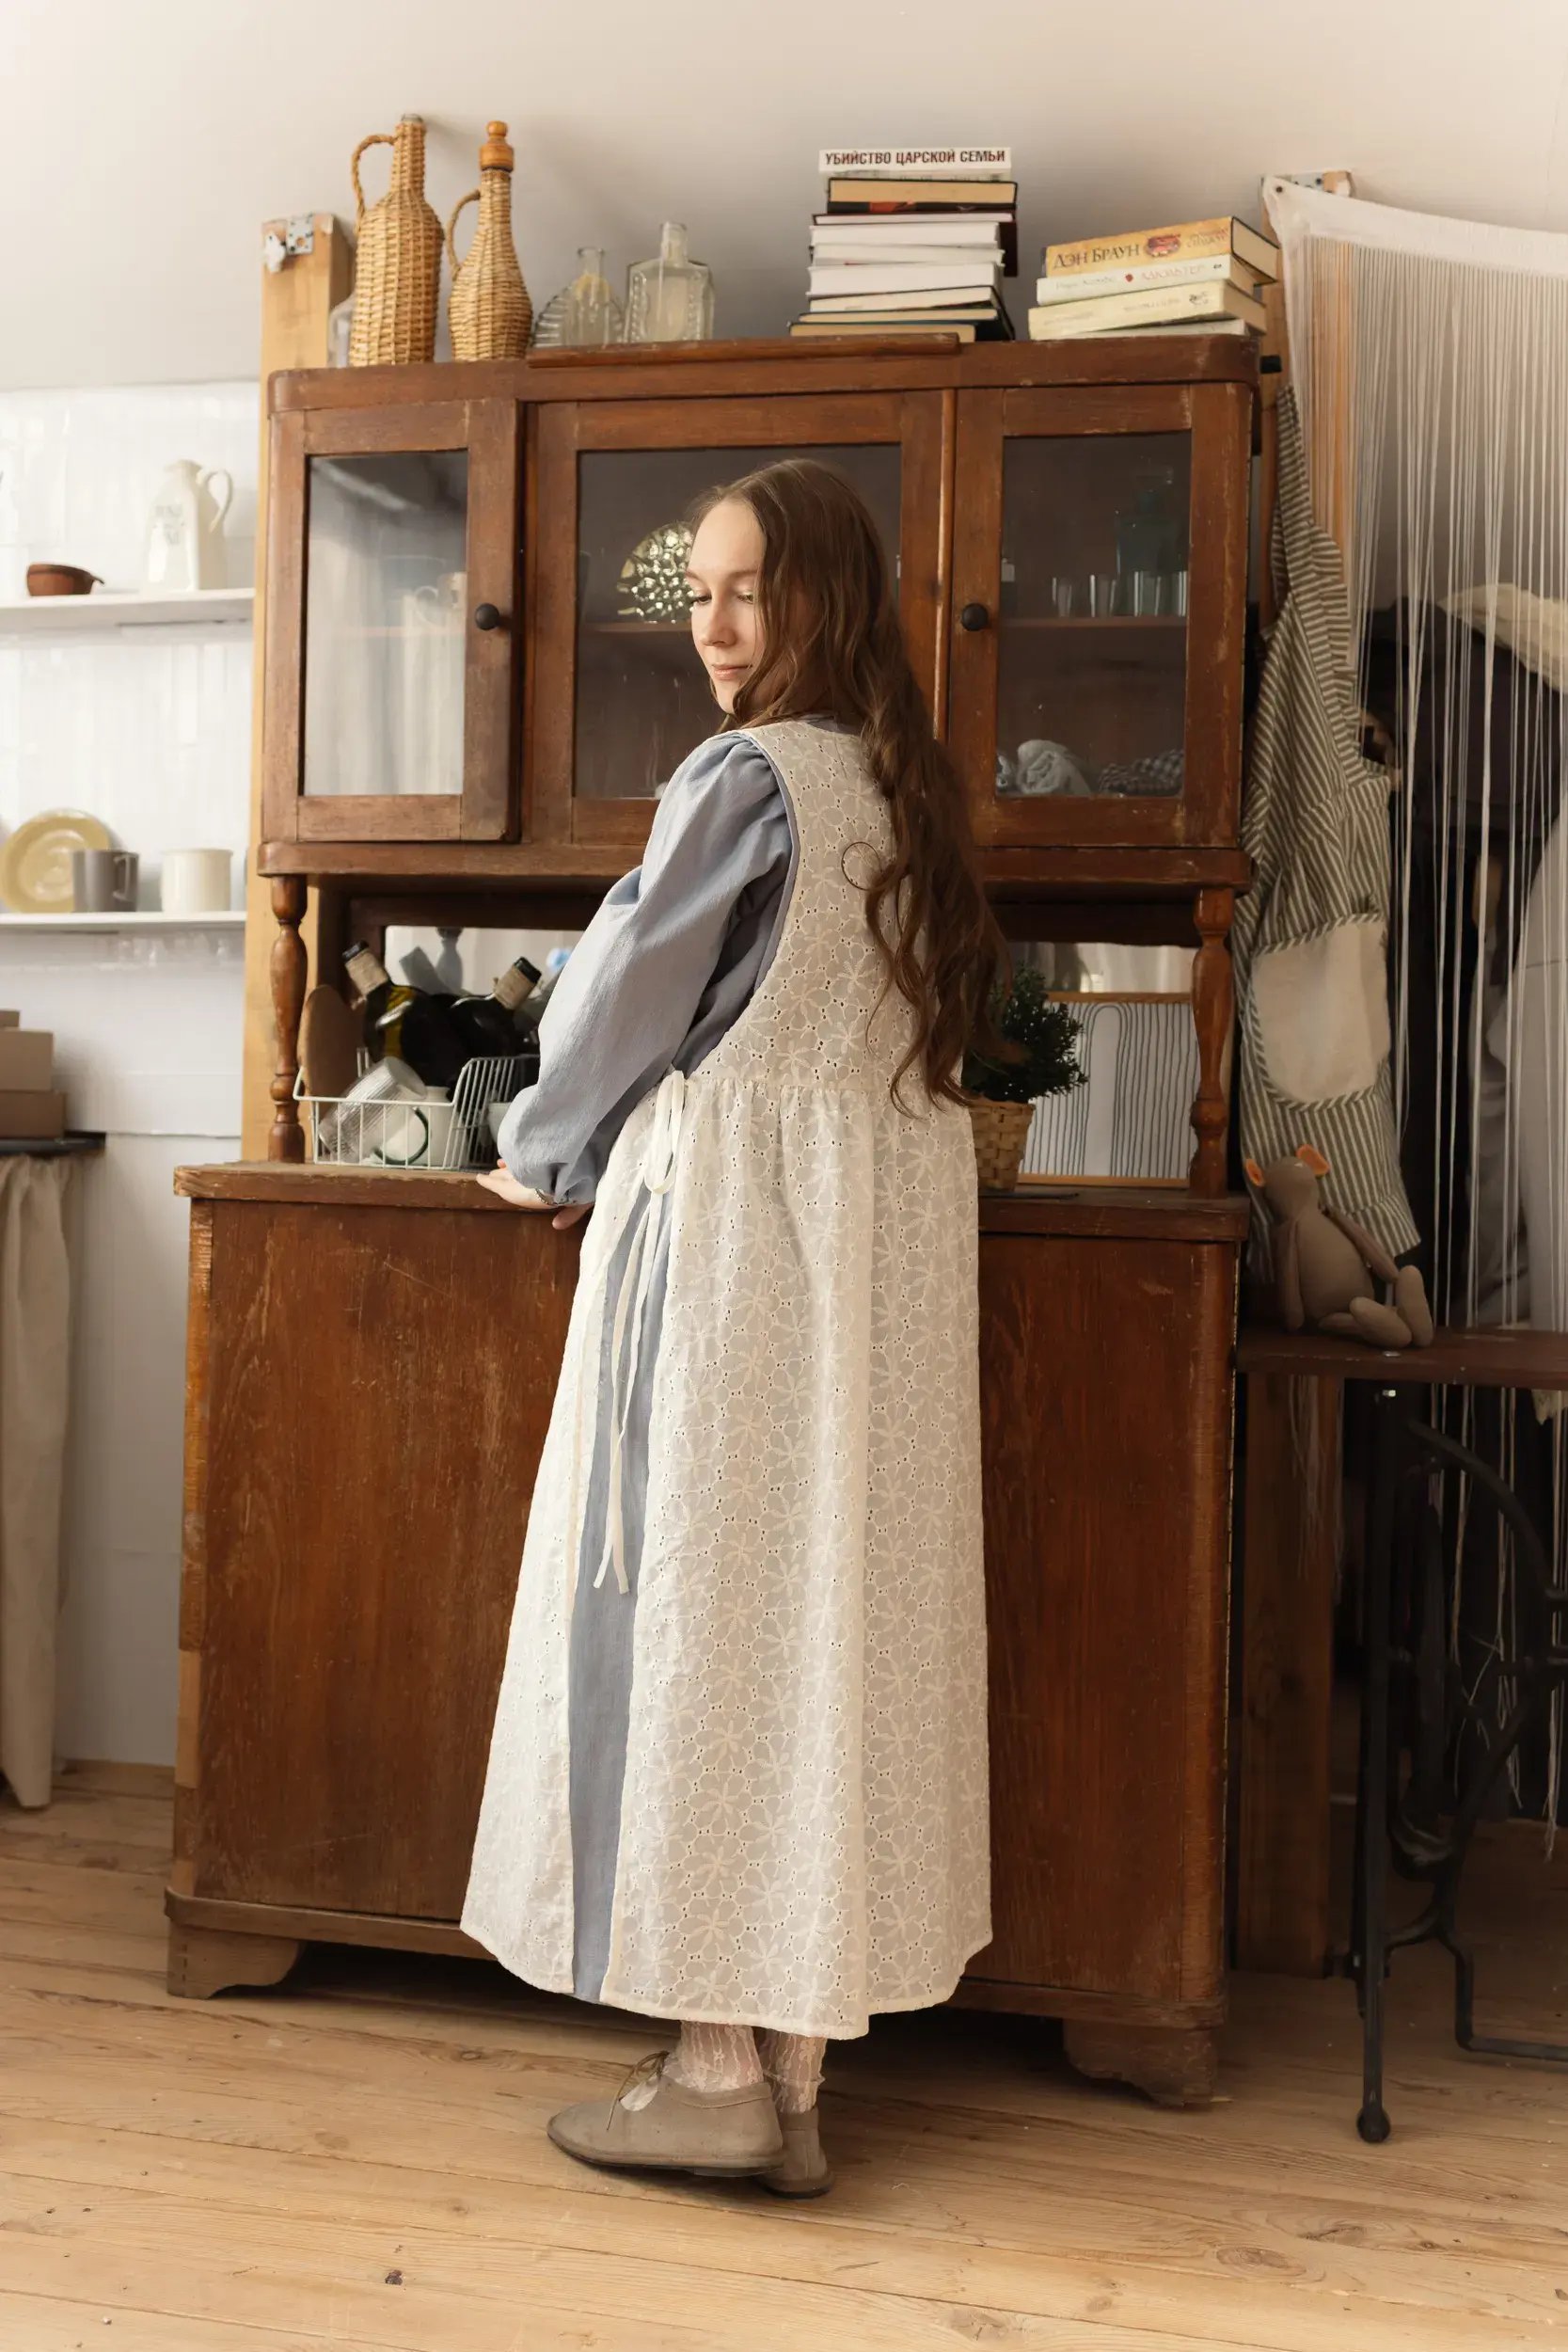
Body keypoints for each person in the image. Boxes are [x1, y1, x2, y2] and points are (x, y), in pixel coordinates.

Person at [463, 456, 998, 2197]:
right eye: (697, 592)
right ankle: (796, 2079)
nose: (712, 624)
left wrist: (543, 1149)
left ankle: (709, 2068)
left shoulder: (743, 778)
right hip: (872, 1271)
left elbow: (628, 993)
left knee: (692, 1609)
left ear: (822, 597)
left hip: (737, 1256)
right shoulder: (910, 793)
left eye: (747, 589)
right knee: (828, 1635)